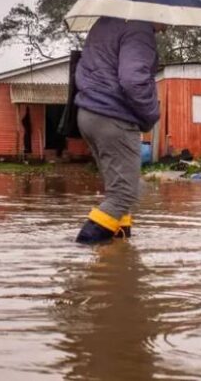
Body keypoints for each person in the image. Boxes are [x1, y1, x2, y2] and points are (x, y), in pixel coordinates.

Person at [74, 17, 161, 244]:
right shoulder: (139, 30)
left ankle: (119, 254)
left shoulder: (104, 23)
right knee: (124, 194)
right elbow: (133, 80)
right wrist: (151, 114)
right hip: (114, 118)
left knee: (119, 193)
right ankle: (83, 249)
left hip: (89, 114)